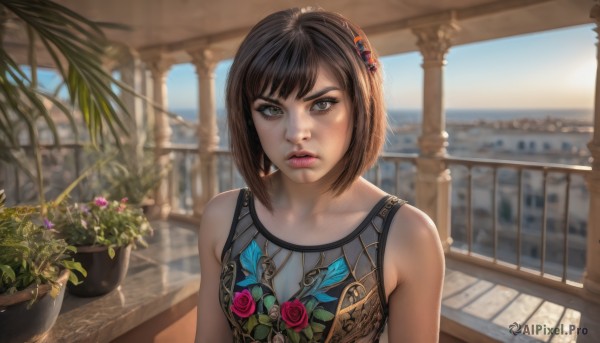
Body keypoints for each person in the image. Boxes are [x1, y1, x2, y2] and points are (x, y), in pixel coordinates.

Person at [195, 7, 444, 343]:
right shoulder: (222, 218)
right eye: (271, 109)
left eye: (322, 104)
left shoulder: (409, 234)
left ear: (360, 104)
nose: (296, 133)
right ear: (248, 117)